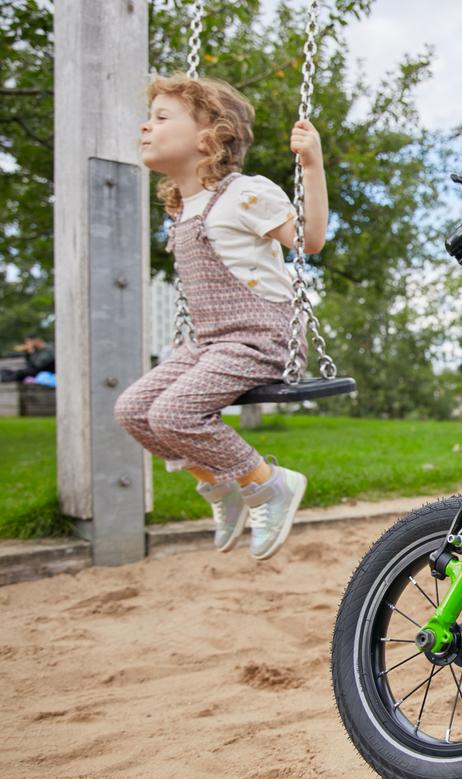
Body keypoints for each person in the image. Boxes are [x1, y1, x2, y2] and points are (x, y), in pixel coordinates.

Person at [115, 75, 327, 560]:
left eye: (161, 118)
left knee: (173, 414)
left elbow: (310, 240)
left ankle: (268, 484)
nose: (146, 128)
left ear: (209, 134)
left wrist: (311, 164)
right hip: (210, 342)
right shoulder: (183, 207)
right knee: (133, 410)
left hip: (260, 337)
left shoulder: (244, 194)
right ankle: (219, 485)